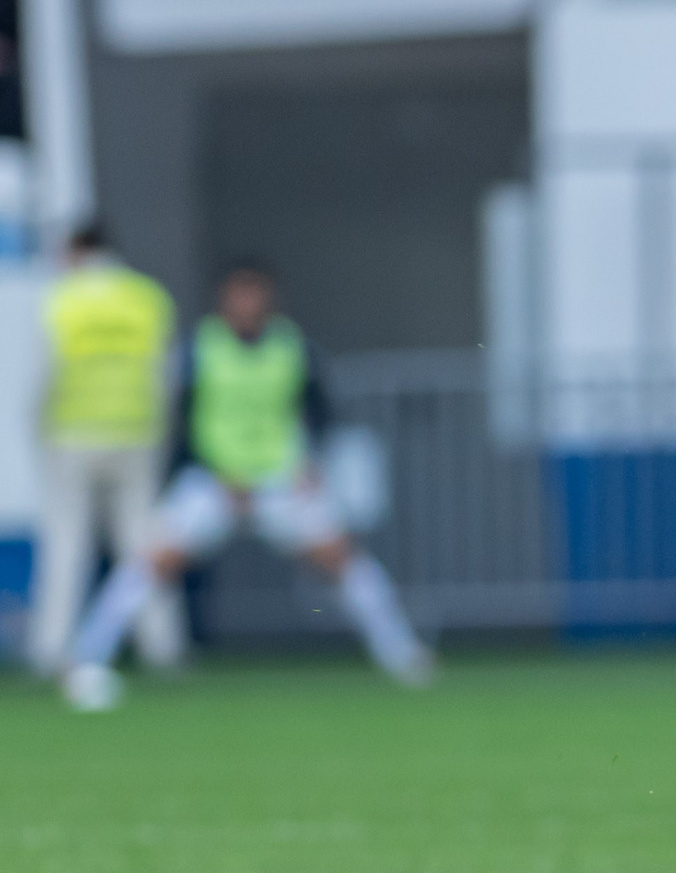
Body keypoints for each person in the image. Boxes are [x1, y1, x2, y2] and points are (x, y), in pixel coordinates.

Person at [59, 261, 433, 708]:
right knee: (149, 561)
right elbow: (182, 418)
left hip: (279, 481)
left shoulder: (292, 347)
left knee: (342, 558)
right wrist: (207, 470)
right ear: (224, 300)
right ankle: (86, 658)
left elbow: (322, 413)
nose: (247, 304)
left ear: (269, 299)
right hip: (215, 483)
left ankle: (403, 655)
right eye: (239, 295)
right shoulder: (200, 349)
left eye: (254, 295)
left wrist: (311, 463)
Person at [28, 221, 184, 676]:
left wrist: (39, 431)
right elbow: (165, 375)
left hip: (73, 434)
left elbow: (45, 373)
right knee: (145, 546)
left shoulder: (63, 300)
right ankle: (163, 647)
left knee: (66, 545)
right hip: (137, 433)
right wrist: (160, 434)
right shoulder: (148, 298)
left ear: (76, 252)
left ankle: (51, 649)